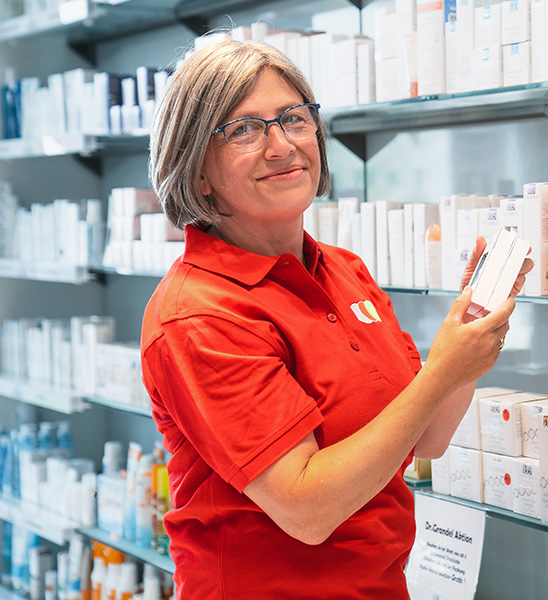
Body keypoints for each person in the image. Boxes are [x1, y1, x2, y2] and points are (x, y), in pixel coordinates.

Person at [141, 38, 532, 599]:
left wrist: (470, 334)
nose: (282, 146)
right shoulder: (198, 316)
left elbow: (428, 438)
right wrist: (442, 371)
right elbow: (306, 508)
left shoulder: (344, 270)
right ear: (197, 172)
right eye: (244, 130)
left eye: (294, 119)